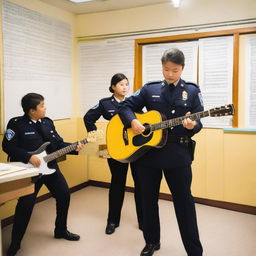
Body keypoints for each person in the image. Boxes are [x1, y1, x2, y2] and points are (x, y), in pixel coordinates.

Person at [118, 48, 204, 256]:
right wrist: (134, 121)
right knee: (148, 201)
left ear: (182, 68)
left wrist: (193, 126)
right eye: (166, 69)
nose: (170, 74)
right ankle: (151, 242)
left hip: (178, 155)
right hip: (148, 155)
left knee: (184, 203)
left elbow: (199, 122)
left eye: (175, 70)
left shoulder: (192, 91)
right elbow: (125, 107)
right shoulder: (149, 89)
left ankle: (194, 251)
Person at [2, 93, 84, 256]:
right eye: (42, 106)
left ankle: (60, 230)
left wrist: (75, 146)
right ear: (32, 111)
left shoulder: (47, 122)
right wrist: (29, 157)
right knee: (25, 206)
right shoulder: (16, 123)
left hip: (50, 168)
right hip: (29, 172)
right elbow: (7, 147)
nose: (45, 108)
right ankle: (15, 244)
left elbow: (58, 144)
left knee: (64, 195)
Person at [83, 73, 143, 235]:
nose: (125, 87)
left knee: (141, 184)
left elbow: (144, 119)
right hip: (115, 148)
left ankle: (143, 220)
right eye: (121, 84)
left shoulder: (133, 102)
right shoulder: (105, 103)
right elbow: (88, 118)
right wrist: (96, 136)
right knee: (117, 183)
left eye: (127, 84)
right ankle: (113, 221)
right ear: (113, 87)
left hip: (135, 148)